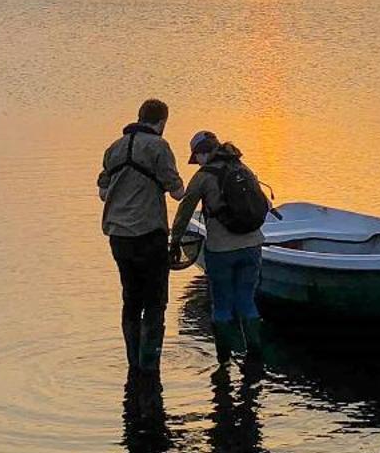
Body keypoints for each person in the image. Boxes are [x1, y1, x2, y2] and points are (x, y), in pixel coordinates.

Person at [98, 98, 184, 372]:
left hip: (119, 236)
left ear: (138, 117)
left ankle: (132, 363)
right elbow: (177, 191)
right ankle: (150, 366)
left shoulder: (114, 148)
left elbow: (102, 191)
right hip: (150, 235)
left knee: (131, 299)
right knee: (155, 302)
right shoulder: (159, 147)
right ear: (162, 122)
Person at [170, 130, 268, 364]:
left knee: (222, 306)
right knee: (247, 301)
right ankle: (255, 358)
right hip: (252, 246)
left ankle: (223, 362)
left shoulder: (203, 177)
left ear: (203, 153)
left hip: (220, 251)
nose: (197, 162)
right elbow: (263, 203)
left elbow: (185, 212)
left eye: (197, 157)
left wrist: (175, 242)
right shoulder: (243, 169)